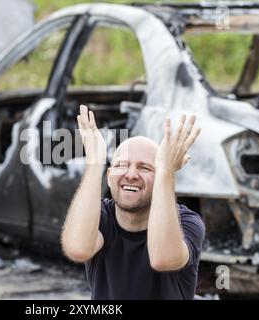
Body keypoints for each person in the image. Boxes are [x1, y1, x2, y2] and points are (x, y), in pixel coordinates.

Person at [61, 104, 206, 300]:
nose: (131, 175)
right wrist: (95, 162)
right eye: (121, 165)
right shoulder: (101, 217)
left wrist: (165, 171)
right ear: (110, 175)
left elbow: (163, 259)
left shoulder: (187, 222)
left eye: (145, 168)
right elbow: (77, 249)